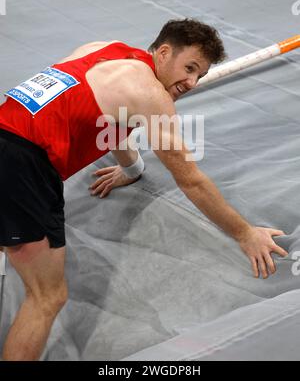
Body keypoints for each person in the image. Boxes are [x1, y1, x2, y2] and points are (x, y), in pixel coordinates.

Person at [0, 18, 288, 360]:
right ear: (164, 53)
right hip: (21, 169)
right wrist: (244, 233)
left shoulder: (102, 51)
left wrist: (131, 168)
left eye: (200, 75)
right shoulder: (150, 94)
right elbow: (190, 179)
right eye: (189, 68)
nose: (192, 82)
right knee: (47, 297)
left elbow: (104, 118)